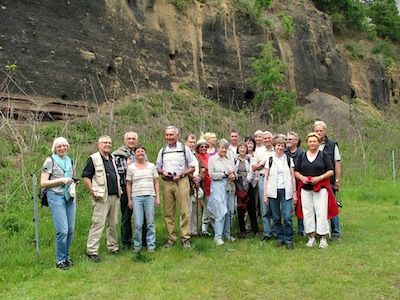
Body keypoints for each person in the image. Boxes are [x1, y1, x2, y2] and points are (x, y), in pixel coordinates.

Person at [294, 132, 338, 249]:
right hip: (305, 189)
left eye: (314, 141)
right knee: (307, 212)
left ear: (318, 143)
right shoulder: (302, 156)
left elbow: (331, 171)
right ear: (307, 143)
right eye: (310, 141)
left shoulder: (324, 156)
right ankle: (311, 237)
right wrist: (302, 178)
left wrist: (319, 178)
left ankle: (323, 237)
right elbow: (296, 171)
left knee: (321, 211)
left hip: (321, 188)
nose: (312, 143)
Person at [82, 135, 121, 262]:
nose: (107, 145)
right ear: (99, 144)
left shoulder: (112, 158)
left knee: (113, 224)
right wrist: (92, 191)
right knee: (98, 224)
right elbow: (86, 176)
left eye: (109, 143)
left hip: (115, 196)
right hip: (101, 197)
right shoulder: (93, 159)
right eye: (105, 143)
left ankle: (113, 247)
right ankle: (92, 251)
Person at [156, 126, 196, 248]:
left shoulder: (184, 149)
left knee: (184, 211)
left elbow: (192, 166)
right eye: (167, 135)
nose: (169, 137)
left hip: (182, 182)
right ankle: (171, 239)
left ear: (177, 135)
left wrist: (182, 173)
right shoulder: (163, 150)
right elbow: (157, 167)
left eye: (171, 135)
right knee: (168, 213)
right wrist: (163, 172)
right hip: (167, 183)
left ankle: (185, 239)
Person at [40, 137, 76, 270]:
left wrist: (72, 182)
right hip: (56, 196)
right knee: (63, 230)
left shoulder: (69, 160)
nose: (62, 148)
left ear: (67, 147)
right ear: (55, 148)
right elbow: (43, 182)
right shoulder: (50, 161)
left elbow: (70, 178)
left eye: (64, 146)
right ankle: (60, 260)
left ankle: (67, 257)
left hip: (69, 196)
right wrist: (61, 181)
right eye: (59, 146)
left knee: (71, 230)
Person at [113, 131, 146, 250]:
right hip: (124, 188)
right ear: (124, 140)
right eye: (129, 139)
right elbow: (115, 172)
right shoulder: (118, 154)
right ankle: (126, 242)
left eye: (133, 139)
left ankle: (144, 241)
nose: (131, 141)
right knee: (126, 216)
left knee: (143, 216)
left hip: (140, 188)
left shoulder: (140, 152)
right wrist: (129, 168)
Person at [126, 145, 160, 253]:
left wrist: (158, 197)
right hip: (136, 197)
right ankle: (137, 246)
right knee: (138, 223)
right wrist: (129, 199)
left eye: (142, 151)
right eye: (138, 152)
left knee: (150, 222)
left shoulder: (151, 166)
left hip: (150, 196)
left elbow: (156, 182)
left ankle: (151, 245)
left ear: (145, 153)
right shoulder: (131, 167)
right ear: (135, 154)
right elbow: (128, 184)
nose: (140, 153)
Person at [264, 136, 297, 249]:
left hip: (286, 191)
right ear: (275, 146)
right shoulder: (270, 159)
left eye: (282, 146)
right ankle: (280, 238)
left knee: (287, 216)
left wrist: (294, 192)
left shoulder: (288, 159)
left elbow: (293, 176)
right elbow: (266, 177)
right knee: (276, 217)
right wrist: (265, 194)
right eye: (278, 145)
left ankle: (289, 239)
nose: (280, 147)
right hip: (273, 191)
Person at [313, 121, 341, 241]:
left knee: (332, 206)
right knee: (317, 208)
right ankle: (319, 231)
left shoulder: (332, 145)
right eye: (317, 131)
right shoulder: (311, 143)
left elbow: (337, 163)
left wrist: (337, 181)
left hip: (329, 181)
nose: (319, 133)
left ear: (325, 131)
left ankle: (335, 232)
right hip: (315, 181)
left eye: (321, 131)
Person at [208, 139, 236, 245]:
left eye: (225, 148)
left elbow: (233, 170)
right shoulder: (212, 159)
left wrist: (233, 175)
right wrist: (224, 173)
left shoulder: (229, 159)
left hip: (229, 186)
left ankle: (227, 234)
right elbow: (211, 174)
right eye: (222, 147)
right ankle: (218, 236)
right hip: (218, 186)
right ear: (218, 148)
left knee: (229, 210)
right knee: (220, 211)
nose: (223, 149)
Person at [252, 130, 275, 240]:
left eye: (268, 138)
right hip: (262, 179)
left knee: (275, 206)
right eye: (265, 138)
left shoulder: (277, 149)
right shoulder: (259, 151)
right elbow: (254, 167)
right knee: (264, 206)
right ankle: (267, 232)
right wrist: (262, 164)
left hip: (275, 179)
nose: (267, 140)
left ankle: (276, 230)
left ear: (272, 138)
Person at [235, 142, 258, 238]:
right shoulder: (234, 160)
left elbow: (252, 171)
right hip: (239, 186)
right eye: (241, 148)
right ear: (238, 149)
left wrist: (247, 180)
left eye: (244, 148)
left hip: (249, 185)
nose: (243, 150)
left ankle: (255, 230)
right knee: (241, 208)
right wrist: (239, 181)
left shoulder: (250, 159)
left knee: (251, 208)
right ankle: (242, 231)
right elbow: (234, 170)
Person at [285, 131, 305, 236]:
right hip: (286, 183)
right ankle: (289, 230)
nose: (287, 141)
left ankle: (301, 230)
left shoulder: (302, 153)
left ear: (296, 141)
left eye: (290, 139)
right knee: (288, 208)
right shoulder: (283, 152)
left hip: (300, 183)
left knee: (300, 206)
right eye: (287, 139)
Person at [185, 133, 202, 235]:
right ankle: (186, 233)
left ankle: (194, 231)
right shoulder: (183, 154)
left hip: (197, 183)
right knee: (188, 210)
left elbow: (203, 167)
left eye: (193, 142)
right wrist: (192, 178)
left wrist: (199, 177)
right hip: (187, 183)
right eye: (190, 142)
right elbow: (183, 169)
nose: (192, 144)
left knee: (196, 210)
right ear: (186, 142)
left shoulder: (196, 154)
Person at [196, 138, 214, 236]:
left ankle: (204, 229)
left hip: (210, 184)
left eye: (205, 146)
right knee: (208, 207)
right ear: (198, 148)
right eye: (201, 147)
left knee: (208, 208)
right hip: (202, 185)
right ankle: (215, 228)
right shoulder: (197, 157)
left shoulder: (209, 157)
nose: (204, 148)